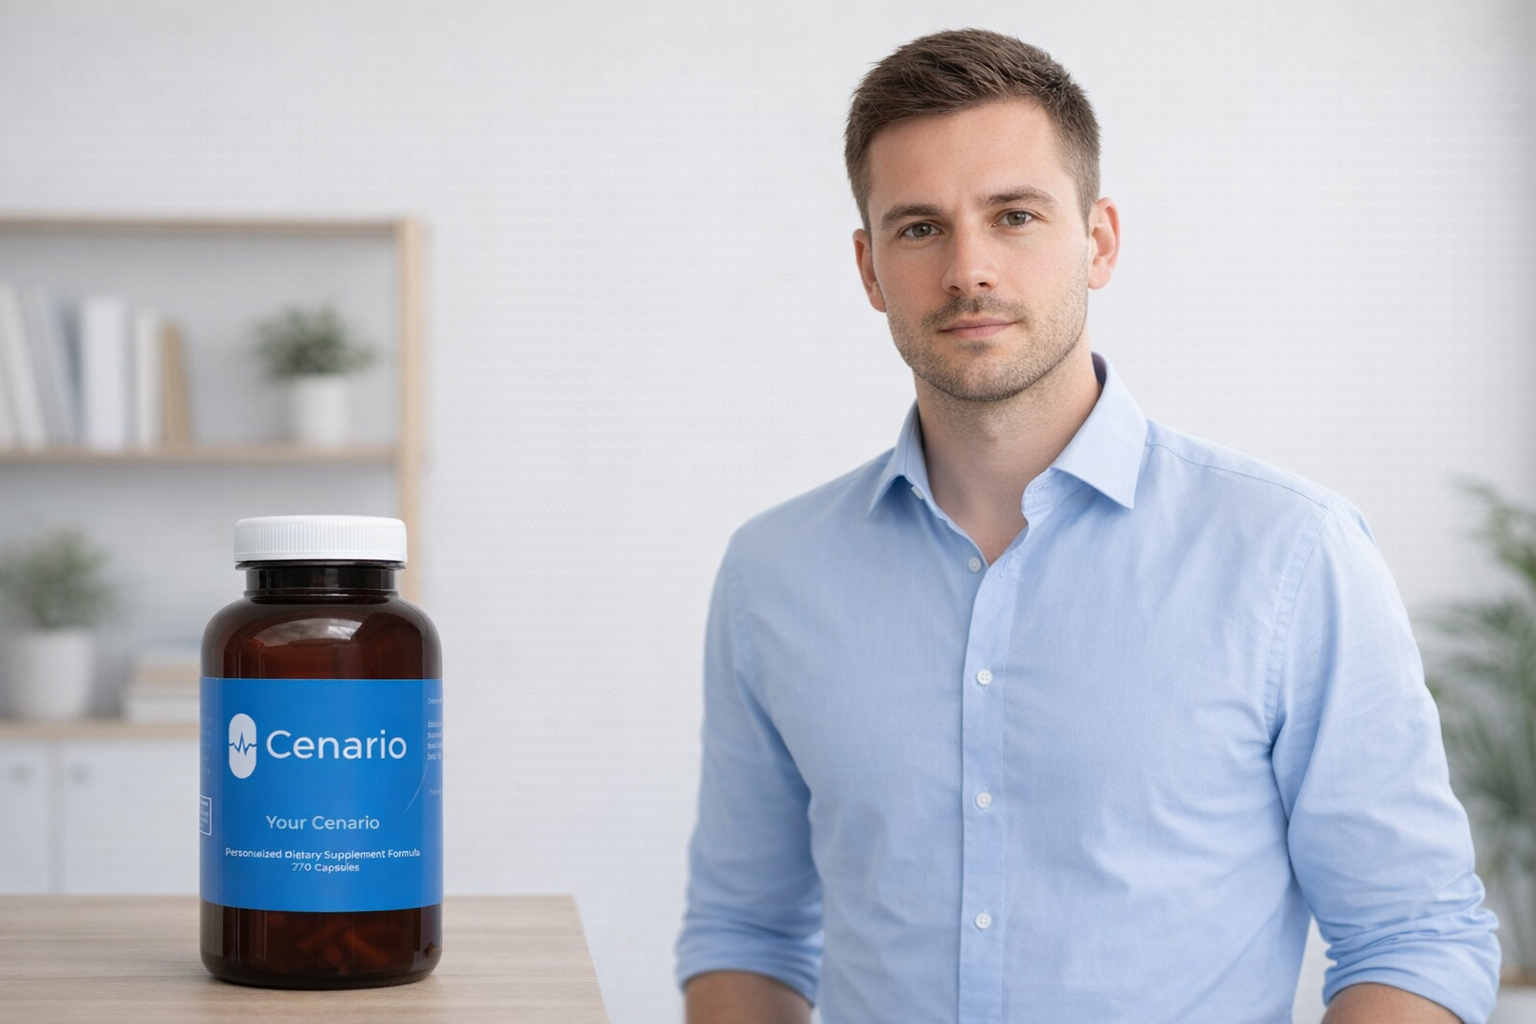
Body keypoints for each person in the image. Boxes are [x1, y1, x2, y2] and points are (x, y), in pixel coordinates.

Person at [675, 28, 1500, 1024]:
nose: (968, 268)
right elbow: (746, 931)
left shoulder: (1291, 554)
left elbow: (1413, 934)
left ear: (1099, 239)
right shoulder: (774, 574)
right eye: (919, 228)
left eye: (1014, 215)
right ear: (868, 266)